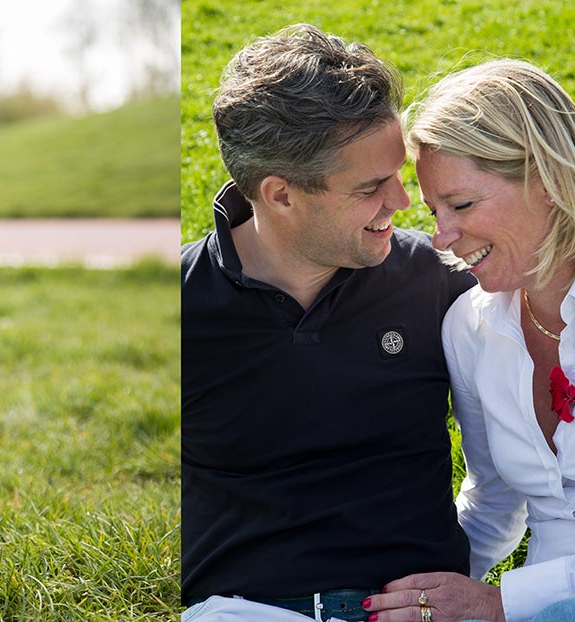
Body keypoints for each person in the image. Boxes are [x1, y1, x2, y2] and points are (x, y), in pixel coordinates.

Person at [182, 24, 475, 622]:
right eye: (370, 187)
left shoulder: (439, 281)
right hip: (248, 612)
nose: (401, 201)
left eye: (397, 174)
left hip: (415, 612)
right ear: (280, 195)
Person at [366, 59, 575, 622]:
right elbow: (495, 501)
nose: (441, 237)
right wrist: (419, 596)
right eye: (433, 210)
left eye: (462, 204)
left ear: (548, 181)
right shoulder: (469, 328)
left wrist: (504, 603)